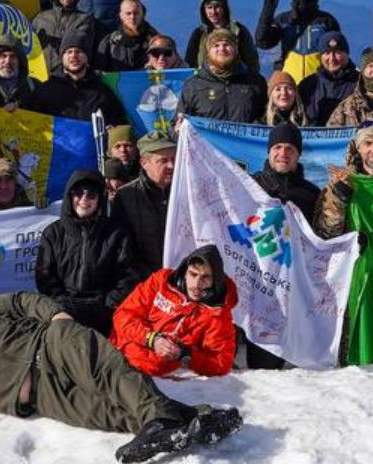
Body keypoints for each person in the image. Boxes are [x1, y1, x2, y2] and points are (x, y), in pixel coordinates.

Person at [0, 294, 240, 463]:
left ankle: (165, 418)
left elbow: (21, 301)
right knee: (110, 412)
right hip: (44, 397)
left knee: (110, 374)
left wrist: (55, 318)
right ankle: (194, 420)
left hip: (50, 346)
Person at [35, 169, 142, 333]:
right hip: (64, 309)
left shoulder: (116, 232)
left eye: (91, 194)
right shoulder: (53, 233)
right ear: (69, 196)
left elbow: (129, 275)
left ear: (100, 199)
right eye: (78, 193)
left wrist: (109, 302)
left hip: (103, 310)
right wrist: (60, 302)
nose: (84, 199)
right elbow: (44, 276)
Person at [112, 244, 237, 377]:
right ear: (184, 272)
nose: (196, 284)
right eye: (193, 274)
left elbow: (221, 361)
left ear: (215, 280)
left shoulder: (217, 312)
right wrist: (151, 339)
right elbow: (123, 315)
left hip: (156, 374)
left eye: (205, 277)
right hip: (118, 354)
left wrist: (185, 355)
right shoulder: (160, 281)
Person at [315, 123, 373, 239]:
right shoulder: (340, 182)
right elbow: (324, 234)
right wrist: (339, 200)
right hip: (357, 254)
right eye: (368, 143)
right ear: (359, 148)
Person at [254, 0, 341, 74]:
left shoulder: (326, 21)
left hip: (319, 86)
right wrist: (266, 14)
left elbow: (339, 54)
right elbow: (262, 42)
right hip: (289, 86)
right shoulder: (284, 20)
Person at [113, 134, 176, 274]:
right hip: (146, 281)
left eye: (173, 159)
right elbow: (123, 248)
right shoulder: (126, 196)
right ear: (144, 163)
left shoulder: (188, 190)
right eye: (163, 161)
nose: (171, 166)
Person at [34, 28, 127, 125]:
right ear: (62, 58)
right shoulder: (47, 89)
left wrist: (116, 135)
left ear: (87, 57)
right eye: (69, 52)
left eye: (78, 51)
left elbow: (119, 123)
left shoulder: (102, 92)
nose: (73, 56)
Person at [178, 29, 266, 123]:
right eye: (216, 45)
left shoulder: (255, 82)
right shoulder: (193, 85)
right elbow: (177, 124)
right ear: (208, 52)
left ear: (236, 50)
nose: (222, 49)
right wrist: (178, 130)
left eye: (226, 45)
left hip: (244, 137)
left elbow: (267, 117)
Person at [180, 0, 260, 76]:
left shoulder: (239, 31)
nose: (213, 12)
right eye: (209, 7)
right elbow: (190, 63)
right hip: (205, 82)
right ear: (204, 10)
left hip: (236, 81)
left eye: (217, 7)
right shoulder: (199, 34)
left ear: (224, 8)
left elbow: (252, 61)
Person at [253, 121, 320, 220]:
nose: (283, 153)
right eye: (277, 147)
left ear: (298, 155)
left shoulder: (312, 194)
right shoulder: (251, 185)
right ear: (269, 152)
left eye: (289, 149)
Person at [32, 0, 98, 74]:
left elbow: (79, 44)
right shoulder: (41, 17)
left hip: (68, 75)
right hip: (41, 74)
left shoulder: (84, 19)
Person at [298, 32, 359, 126]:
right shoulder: (307, 85)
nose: (332, 58)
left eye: (337, 53)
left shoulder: (360, 82)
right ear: (320, 56)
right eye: (327, 53)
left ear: (347, 54)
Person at [97, 0, 158, 73]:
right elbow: (98, 71)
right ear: (121, 16)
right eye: (128, 13)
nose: (132, 17)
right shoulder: (110, 42)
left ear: (143, 14)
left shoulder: (156, 41)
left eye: (136, 13)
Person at [0, 40, 37, 110]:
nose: (8, 61)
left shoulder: (31, 88)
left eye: (13, 56)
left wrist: (19, 105)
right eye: (3, 56)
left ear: (20, 62)